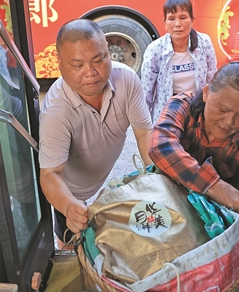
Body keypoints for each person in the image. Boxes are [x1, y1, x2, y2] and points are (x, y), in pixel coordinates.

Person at [39, 19, 153, 247]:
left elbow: (144, 133)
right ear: (60, 63)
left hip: (101, 176)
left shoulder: (127, 80)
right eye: (77, 65)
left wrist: (155, 179)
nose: (90, 73)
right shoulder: (56, 111)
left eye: (98, 60)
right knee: (70, 237)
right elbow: (51, 174)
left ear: (108, 53)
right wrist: (70, 207)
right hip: (68, 188)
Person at [148, 62, 239, 228]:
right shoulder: (182, 106)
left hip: (206, 224)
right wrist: (213, 185)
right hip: (163, 204)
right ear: (206, 93)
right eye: (222, 110)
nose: (229, 122)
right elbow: (160, 146)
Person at [141, 0, 217, 123]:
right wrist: (144, 126)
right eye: (171, 19)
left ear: (192, 20)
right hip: (167, 113)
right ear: (165, 23)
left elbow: (212, 80)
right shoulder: (155, 50)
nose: (177, 24)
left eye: (183, 18)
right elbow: (146, 91)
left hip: (197, 110)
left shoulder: (204, 43)